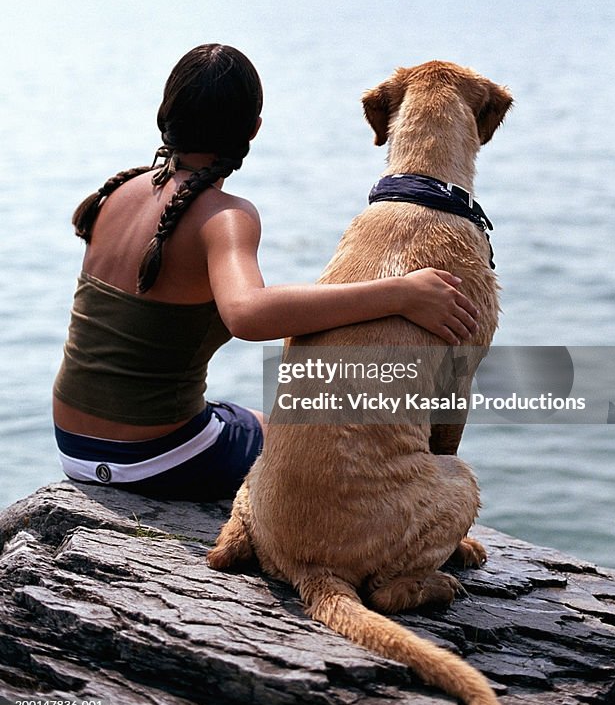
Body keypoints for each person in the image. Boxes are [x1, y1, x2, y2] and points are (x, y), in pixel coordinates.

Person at [52, 44, 480, 500]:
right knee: (306, 444)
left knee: (260, 423)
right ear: (254, 129)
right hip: (154, 458)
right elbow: (248, 313)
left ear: (166, 114)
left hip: (73, 445)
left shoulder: (118, 193)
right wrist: (400, 293)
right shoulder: (224, 217)